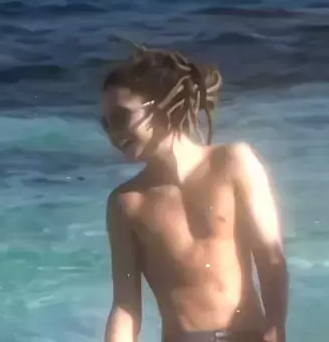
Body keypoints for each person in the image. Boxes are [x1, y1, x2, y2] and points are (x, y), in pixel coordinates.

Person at [101, 44, 288, 342]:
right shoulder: (127, 203)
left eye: (121, 117)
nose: (113, 133)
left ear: (161, 104)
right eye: (106, 124)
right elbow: (125, 305)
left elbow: (270, 256)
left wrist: (276, 328)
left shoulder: (233, 162)